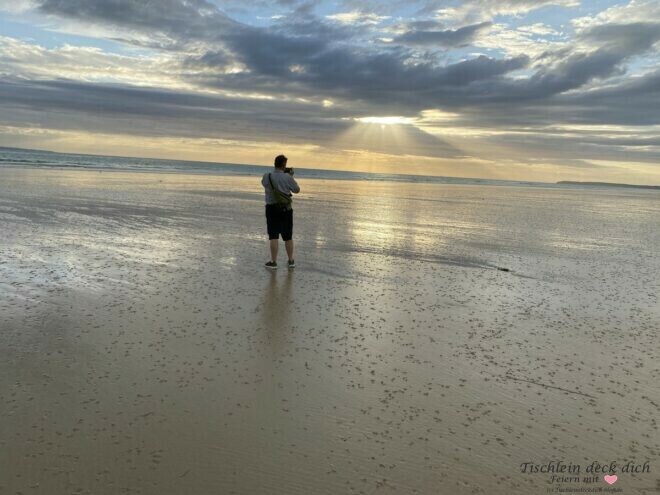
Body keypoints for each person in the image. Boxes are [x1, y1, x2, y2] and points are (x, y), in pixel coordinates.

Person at [261, 154, 300, 269]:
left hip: (271, 208)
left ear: (275, 164)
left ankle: (273, 262)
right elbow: (297, 190)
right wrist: (290, 176)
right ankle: (291, 260)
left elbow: (264, 185)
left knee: (273, 236)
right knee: (288, 236)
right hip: (286, 210)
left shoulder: (266, 176)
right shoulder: (287, 177)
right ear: (284, 165)